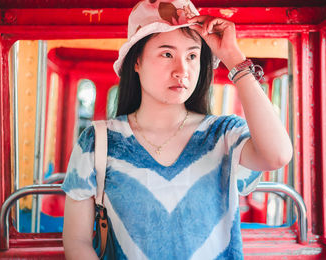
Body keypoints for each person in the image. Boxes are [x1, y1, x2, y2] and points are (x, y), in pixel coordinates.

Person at [61, 0, 293, 259]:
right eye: (167, 54)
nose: (182, 70)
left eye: (192, 56)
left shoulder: (224, 134)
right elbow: (77, 240)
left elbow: (277, 155)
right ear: (136, 62)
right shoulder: (98, 141)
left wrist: (234, 58)